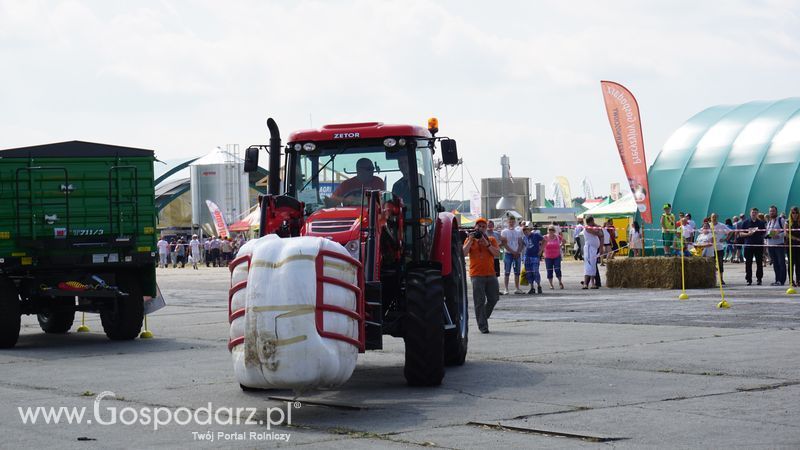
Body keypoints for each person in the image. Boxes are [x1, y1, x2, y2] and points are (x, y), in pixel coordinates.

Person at [462, 218, 500, 334]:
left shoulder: (492, 239)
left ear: (486, 228)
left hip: (490, 274)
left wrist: (487, 244)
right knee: (479, 300)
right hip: (476, 275)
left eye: (484, 226)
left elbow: (497, 254)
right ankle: (483, 325)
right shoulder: (469, 240)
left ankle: (482, 318)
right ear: (475, 227)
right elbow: (463, 253)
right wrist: (470, 240)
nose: (481, 228)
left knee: (494, 298)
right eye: (479, 226)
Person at [739, 207, 767, 286]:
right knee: (748, 263)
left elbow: (764, 233)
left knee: (759, 263)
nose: (754, 214)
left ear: (757, 213)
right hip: (748, 246)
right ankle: (749, 279)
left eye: (755, 212)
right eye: (752, 212)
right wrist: (748, 234)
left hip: (758, 246)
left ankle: (759, 279)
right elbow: (740, 234)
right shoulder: (745, 222)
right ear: (750, 213)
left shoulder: (761, 223)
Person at [500, 215, 524, 295]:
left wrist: (518, 252)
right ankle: (506, 289)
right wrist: (513, 252)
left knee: (517, 272)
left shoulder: (518, 231)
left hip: (517, 254)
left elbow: (520, 243)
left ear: (515, 222)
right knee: (507, 272)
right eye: (510, 222)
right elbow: (504, 244)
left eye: (513, 222)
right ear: (507, 222)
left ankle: (517, 288)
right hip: (508, 254)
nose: (511, 223)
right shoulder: (504, 231)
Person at [766, 205, 787, 286]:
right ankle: (777, 280)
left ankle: (782, 281)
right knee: (775, 263)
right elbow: (768, 233)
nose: (771, 212)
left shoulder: (781, 220)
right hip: (771, 245)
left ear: (776, 212)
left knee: (781, 263)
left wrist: (778, 236)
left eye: (773, 211)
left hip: (779, 245)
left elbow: (785, 231)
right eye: (770, 211)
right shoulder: (769, 222)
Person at [582, 216, 604, 289]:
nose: (594, 222)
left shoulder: (593, 227)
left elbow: (601, 233)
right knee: (588, 265)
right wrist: (597, 227)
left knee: (593, 265)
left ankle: (593, 283)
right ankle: (585, 283)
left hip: (594, 249)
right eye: (593, 221)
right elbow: (598, 233)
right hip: (589, 248)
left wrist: (598, 227)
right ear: (590, 221)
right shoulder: (587, 228)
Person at [710, 213, 731, 285]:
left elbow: (730, 232)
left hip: (719, 248)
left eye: (715, 217)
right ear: (710, 218)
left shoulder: (721, 225)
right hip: (710, 249)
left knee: (720, 264)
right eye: (713, 217)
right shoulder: (708, 225)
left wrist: (725, 239)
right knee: (711, 264)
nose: (714, 218)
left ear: (717, 218)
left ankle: (721, 279)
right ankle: (711, 280)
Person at [522, 223, 543, 294]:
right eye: (524, 231)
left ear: (529, 230)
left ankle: (539, 286)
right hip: (527, 256)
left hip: (535, 256)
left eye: (526, 230)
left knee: (535, 271)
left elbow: (544, 240)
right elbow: (524, 245)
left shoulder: (535, 235)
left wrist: (541, 250)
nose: (525, 232)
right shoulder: (524, 237)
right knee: (529, 272)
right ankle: (532, 287)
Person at [542, 225, 564, 289]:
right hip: (548, 256)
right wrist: (542, 250)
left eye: (552, 230)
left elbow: (564, 241)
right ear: (548, 230)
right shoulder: (545, 237)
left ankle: (560, 282)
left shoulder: (558, 237)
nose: (551, 231)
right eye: (550, 230)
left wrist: (560, 245)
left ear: (554, 231)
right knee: (549, 270)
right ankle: (551, 284)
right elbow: (540, 244)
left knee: (557, 269)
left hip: (556, 256)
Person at [786, 207, 800, 287]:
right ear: (791, 213)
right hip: (790, 245)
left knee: (799, 263)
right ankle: (791, 281)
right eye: (793, 213)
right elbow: (786, 233)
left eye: (796, 212)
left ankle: (799, 280)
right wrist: (796, 239)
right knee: (791, 263)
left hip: (798, 246)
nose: (795, 214)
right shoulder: (787, 222)